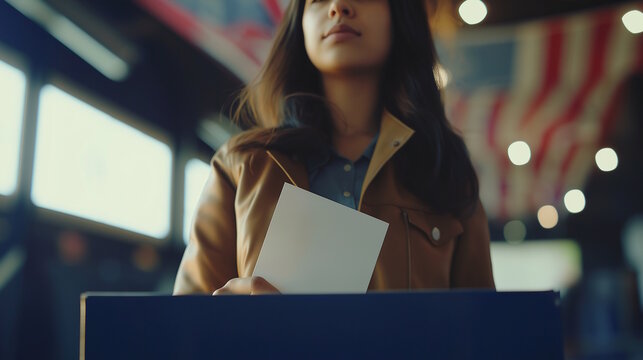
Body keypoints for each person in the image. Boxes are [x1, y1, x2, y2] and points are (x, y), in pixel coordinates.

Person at [173, 0, 495, 295]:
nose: (339, 6)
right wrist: (227, 323)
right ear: (298, 25)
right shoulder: (241, 166)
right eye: (317, 0)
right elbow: (183, 332)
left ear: (400, 12)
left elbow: (482, 332)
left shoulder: (446, 168)